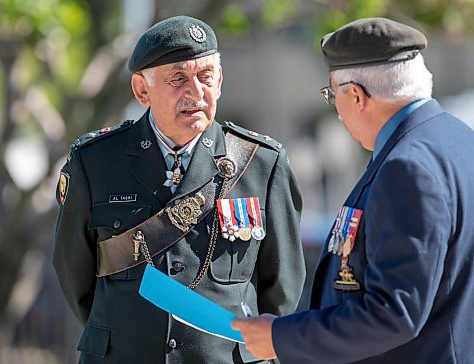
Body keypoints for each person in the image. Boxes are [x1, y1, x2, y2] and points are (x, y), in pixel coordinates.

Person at [53, 15, 306, 364]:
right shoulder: (94, 162)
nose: (196, 92)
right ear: (142, 90)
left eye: (205, 77)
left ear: (219, 82)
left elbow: (281, 287)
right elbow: (73, 271)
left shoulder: (262, 163)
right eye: (178, 79)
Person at [232, 17, 474, 363]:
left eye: (332, 95)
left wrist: (279, 338)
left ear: (357, 96)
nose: (338, 112)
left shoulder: (407, 167)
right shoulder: (458, 140)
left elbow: (394, 313)